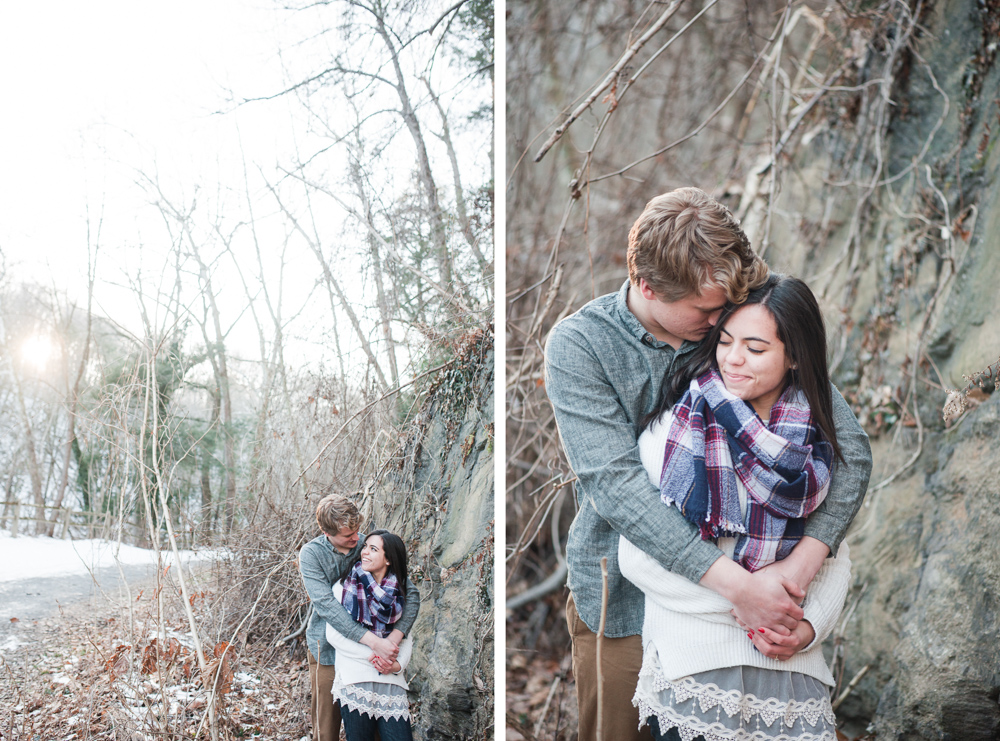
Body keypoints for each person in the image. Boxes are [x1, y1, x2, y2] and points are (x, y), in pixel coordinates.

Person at [543, 187, 872, 741]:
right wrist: (740, 589)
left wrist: (797, 569)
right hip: (624, 597)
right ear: (648, 287)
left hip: (751, 600)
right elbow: (618, 490)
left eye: (730, 305)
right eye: (707, 311)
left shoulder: (735, 326)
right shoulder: (581, 345)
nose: (724, 323)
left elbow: (851, 451)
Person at [620, 274, 852, 739]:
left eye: (756, 348)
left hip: (792, 667)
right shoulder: (673, 430)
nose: (733, 358)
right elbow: (641, 557)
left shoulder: (820, 441)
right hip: (694, 665)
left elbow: (836, 556)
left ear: (794, 356)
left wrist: (804, 629)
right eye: (725, 341)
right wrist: (748, 601)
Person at [299, 495, 421, 741]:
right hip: (328, 647)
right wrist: (377, 645)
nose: (356, 539)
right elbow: (328, 608)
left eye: (357, 530)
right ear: (326, 532)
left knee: (372, 727)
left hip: (374, 654)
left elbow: (411, 594)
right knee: (327, 727)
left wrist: (394, 640)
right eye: (348, 535)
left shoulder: (368, 546)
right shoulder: (311, 555)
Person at [326, 530, 414, 741]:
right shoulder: (343, 587)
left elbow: (407, 636)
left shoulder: (400, 591)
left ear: (389, 559)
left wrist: (397, 666)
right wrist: (375, 654)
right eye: (365, 546)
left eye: (373, 549)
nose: (364, 552)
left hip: (391, 681)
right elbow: (335, 636)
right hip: (355, 679)